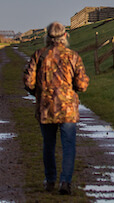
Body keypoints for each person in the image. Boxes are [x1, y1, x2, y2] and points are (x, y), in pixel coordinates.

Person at [23, 22, 90, 195]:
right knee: (68, 146)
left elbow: (28, 81)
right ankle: (65, 182)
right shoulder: (73, 56)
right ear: (65, 36)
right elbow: (82, 85)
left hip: (46, 107)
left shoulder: (39, 55)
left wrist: (38, 93)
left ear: (47, 36)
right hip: (67, 108)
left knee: (49, 144)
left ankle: (50, 180)